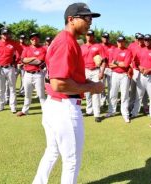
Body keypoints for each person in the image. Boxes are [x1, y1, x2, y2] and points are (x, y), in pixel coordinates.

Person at [32, 3, 104, 184]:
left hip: (54, 105)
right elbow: (58, 83)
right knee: (71, 160)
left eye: (91, 18)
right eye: (86, 18)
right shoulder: (66, 41)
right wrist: (92, 88)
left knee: (52, 152)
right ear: (71, 19)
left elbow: (66, 78)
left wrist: (89, 83)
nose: (90, 22)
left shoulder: (66, 40)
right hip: (64, 107)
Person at [0, 28, 23, 113]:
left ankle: (13, 106)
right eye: (4, 34)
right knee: (1, 89)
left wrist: (17, 61)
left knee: (12, 88)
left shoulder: (14, 43)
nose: (6, 35)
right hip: (0, 68)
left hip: (11, 68)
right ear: (1, 35)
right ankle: (0, 106)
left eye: (7, 33)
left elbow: (21, 51)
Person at [131, 34, 151, 120]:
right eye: (145, 40)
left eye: (148, 40)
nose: (147, 41)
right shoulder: (140, 50)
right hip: (142, 76)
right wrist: (139, 67)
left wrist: (149, 69)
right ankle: (134, 113)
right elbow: (135, 61)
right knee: (138, 96)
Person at [16, 32, 46, 117]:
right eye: (32, 38)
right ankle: (25, 111)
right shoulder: (27, 49)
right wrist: (33, 58)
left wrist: (28, 60)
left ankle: (45, 111)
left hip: (38, 74)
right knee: (27, 94)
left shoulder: (43, 49)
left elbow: (39, 62)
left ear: (38, 39)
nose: (34, 40)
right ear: (30, 40)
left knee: (41, 94)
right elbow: (23, 60)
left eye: (36, 38)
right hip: (27, 74)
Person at [81, 29, 106, 122]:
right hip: (85, 70)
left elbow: (103, 61)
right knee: (87, 92)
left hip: (95, 70)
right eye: (87, 35)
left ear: (93, 36)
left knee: (95, 92)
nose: (89, 36)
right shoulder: (82, 47)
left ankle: (97, 114)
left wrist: (101, 72)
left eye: (91, 35)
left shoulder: (98, 46)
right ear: (85, 36)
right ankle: (89, 110)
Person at [106, 35, 132, 123]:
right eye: (119, 41)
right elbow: (110, 64)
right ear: (117, 42)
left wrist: (116, 62)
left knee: (124, 95)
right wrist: (120, 63)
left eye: (122, 41)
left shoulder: (128, 51)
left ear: (124, 42)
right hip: (114, 74)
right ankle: (111, 111)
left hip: (124, 75)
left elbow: (126, 64)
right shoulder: (113, 50)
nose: (120, 43)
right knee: (113, 93)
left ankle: (125, 113)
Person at [100, 32, 115, 107]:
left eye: (106, 37)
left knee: (110, 86)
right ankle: (102, 101)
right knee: (101, 85)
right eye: (104, 37)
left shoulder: (112, 47)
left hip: (110, 68)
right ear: (101, 38)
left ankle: (109, 101)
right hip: (101, 68)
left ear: (108, 38)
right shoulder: (99, 46)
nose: (105, 39)